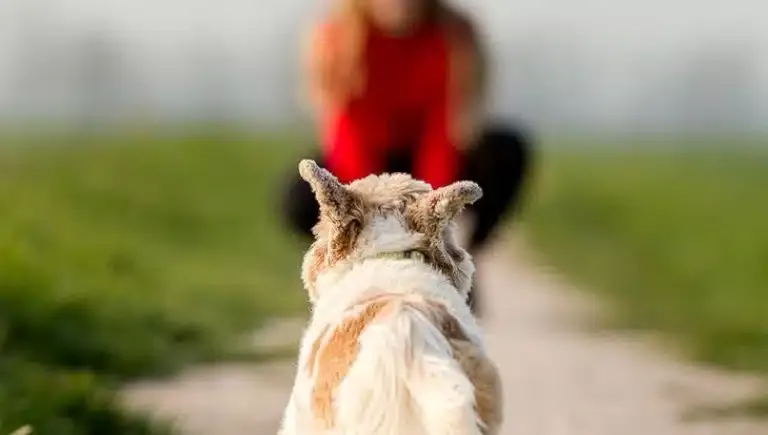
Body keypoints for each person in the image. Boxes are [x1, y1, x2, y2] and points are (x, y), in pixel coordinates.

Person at [280, 0, 533, 317]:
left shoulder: (455, 36)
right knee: (301, 196)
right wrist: (366, 218)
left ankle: (456, 260)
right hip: (368, 159)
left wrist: (436, 215)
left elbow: (449, 132)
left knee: (506, 150)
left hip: (436, 156)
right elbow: (345, 135)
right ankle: (353, 265)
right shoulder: (336, 36)